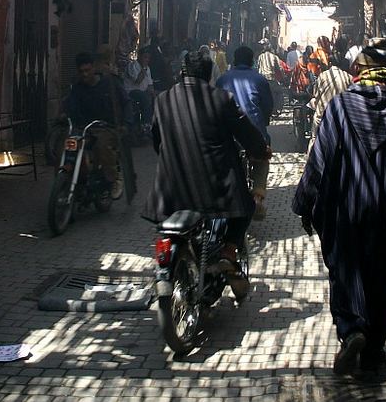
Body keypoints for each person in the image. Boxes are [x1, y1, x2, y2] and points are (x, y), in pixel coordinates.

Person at [292, 37, 386, 375]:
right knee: (379, 280)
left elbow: (319, 162)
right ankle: (373, 351)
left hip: (345, 209)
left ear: (358, 70)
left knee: (345, 273)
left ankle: (351, 330)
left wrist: (304, 203)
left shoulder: (340, 108)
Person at [142, 50, 271, 301]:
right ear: (209, 73)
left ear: (182, 72)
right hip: (216, 185)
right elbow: (246, 132)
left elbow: (156, 140)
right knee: (246, 207)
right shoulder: (221, 99)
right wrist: (260, 149)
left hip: (171, 186)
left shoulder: (163, 99)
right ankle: (229, 251)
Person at [66, 51, 134, 200]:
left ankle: (114, 179)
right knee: (67, 146)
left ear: (94, 68)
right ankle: (68, 182)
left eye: (87, 70)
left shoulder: (110, 83)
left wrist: (126, 124)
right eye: (81, 71)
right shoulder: (77, 88)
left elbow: (126, 102)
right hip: (85, 129)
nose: (84, 74)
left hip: (108, 128)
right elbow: (69, 105)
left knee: (101, 146)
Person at [217, 45, 274, 220]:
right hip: (254, 134)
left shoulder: (222, 79)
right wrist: (263, 122)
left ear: (234, 60)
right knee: (263, 157)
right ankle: (257, 197)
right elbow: (267, 107)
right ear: (251, 61)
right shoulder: (260, 80)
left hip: (229, 135)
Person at [306, 55, 352, 153]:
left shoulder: (323, 75)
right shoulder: (348, 77)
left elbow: (316, 95)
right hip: (341, 116)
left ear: (330, 63)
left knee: (315, 138)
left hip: (322, 115)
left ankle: (311, 162)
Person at [124, 47, 155, 135]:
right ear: (140, 56)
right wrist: (143, 70)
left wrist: (153, 94)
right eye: (145, 57)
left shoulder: (147, 68)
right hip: (131, 91)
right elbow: (137, 80)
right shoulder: (132, 66)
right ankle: (145, 125)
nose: (147, 60)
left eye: (148, 58)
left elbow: (150, 84)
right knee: (143, 97)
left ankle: (150, 124)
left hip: (143, 92)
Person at [256, 38, 284, 116]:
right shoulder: (274, 57)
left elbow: (257, 68)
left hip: (262, 79)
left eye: (263, 45)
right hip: (270, 79)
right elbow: (280, 69)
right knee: (279, 93)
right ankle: (276, 110)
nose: (262, 47)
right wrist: (283, 78)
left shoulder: (260, 57)